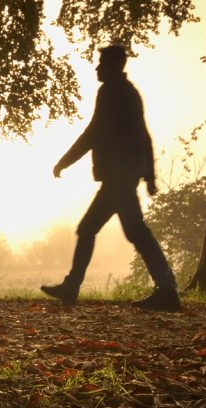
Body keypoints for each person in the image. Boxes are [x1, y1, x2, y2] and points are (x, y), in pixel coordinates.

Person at [42, 45, 181, 312]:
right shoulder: (128, 93)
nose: (97, 68)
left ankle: (166, 289)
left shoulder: (111, 92)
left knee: (106, 230)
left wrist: (64, 161)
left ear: (113, 65)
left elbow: (93, 132)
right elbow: (144, 135)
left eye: (101, 63)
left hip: (119, 177)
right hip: (123, 176)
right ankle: (166, 288)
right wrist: (149, 175)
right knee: (124, 232)